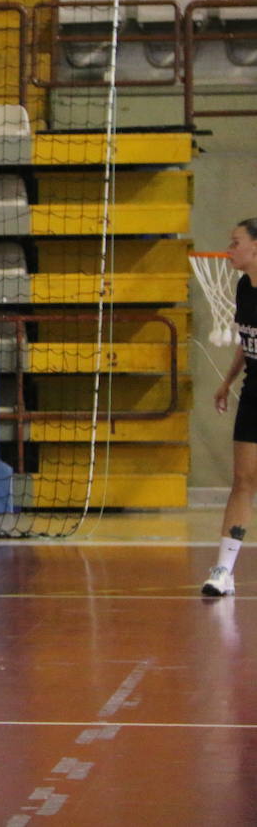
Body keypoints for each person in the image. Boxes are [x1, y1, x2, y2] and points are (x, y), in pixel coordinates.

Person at [204, 218, 257, 597]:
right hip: (254, 393)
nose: (229, 249)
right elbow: (246, 339)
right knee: (243, 480)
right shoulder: (244, 286)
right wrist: (227, 380)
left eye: (235, 242)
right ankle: (224, 570)